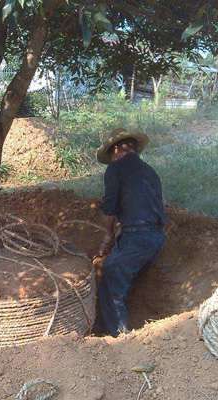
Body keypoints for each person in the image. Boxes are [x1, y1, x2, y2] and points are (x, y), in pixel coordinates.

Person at [91, 128, 166, 337]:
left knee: (111, 275)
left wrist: (107, 237)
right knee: (122, 272)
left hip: (137, 238)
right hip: (156, 237)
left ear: (116, 149)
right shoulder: (150, 171)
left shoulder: (115, 169)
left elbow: (109, 208)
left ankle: (120, 339)